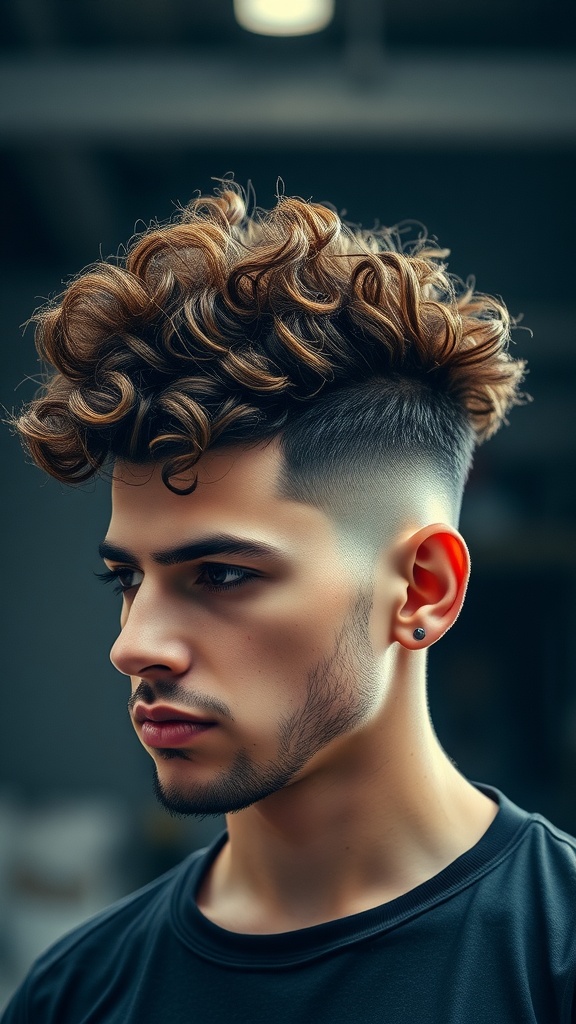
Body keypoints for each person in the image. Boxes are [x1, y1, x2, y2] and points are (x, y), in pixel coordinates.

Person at [3, 183, 575, 1024]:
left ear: (422, 591)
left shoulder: (554, 964)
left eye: (222, 575)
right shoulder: (72, 998)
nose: (135, 646)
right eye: (127, 579)